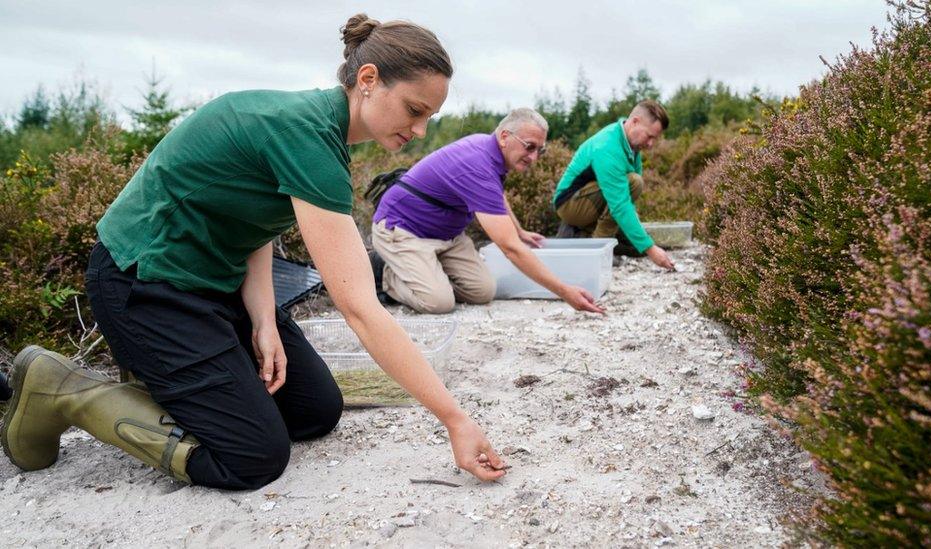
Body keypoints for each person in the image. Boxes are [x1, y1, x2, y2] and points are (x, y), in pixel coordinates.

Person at [0, 14, 507, 490]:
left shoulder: (315, 127)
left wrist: (264, 317)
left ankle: (184, 382)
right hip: (143, 283)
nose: (419, 130)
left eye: (430, 117)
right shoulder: (306, 135)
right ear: (368, 78)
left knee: (314, 411)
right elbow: (360, 309)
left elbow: (253, 221)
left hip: (216, 284)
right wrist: (454, 419)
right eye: (415, 110)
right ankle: (64, 388)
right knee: (253, 456)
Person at [370, 108, 605, 314]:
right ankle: (385, 274)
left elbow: (496, 194)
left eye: (540, 151)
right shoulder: (477, 165)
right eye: (529, 147)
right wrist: (564, 292)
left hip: (446, 236)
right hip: (403, 230)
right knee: (438, 303)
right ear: (505, 136)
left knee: (482, 292)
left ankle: (425, 270)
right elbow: (510, 249)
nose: (533, 157)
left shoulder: (490, 150)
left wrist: (520, 231)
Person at [552, 100, 675, 270]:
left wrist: (643, 241)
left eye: (655, 139)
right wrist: (651, 249)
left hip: (588, 201)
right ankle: (598, 249)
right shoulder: (608, 146)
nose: (650, 144)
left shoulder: (632, 146)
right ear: (635, 122)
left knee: (636, 244)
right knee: (634, 182)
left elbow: (627, 202)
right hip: (569, 204)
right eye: (649, 136)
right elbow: (619, 204)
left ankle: (583, 234)